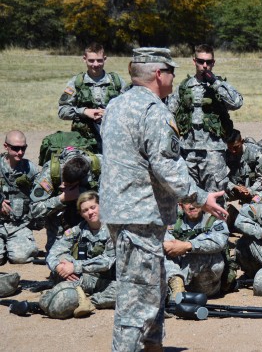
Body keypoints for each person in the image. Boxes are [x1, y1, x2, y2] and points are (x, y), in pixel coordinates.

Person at [100, 47, 227, 352]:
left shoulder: (116, 105)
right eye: (170, 71)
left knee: (153, 290)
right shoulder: (154, 111)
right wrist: (201, 197)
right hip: (142, 217)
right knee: (137, 301)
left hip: (122, 213)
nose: (173, 77)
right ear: (159, 74)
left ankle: (152, 347)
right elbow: (166, 166)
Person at [167, 44, 243, 200]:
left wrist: (215, 83)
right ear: (194, 61)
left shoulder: (219, 86)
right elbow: (169, 114)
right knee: (189, 199)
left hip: (213, 152)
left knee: (215, 196)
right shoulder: (184, 87)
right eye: (201, 61)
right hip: (188, 151)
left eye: (208, 62)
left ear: (213, 62)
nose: (205, 65)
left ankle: (215, 225)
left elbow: (236, 103)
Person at [46, 191, 116, 317]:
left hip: (108, 280)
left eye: (93, 207)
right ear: (81, 214)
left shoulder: (113, 230)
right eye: (85, 210)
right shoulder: (78, 230)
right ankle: (75, 296)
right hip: (82, 278)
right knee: (61, 264)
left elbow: (107, 261)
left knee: (125, 292)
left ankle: (86, 301)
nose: (90, 212)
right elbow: (54, 251)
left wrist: (74, 267)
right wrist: (59, 266)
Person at [57, 43, 127, 152]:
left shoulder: (116, 82)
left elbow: (130, 108)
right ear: (84, 59)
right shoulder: (76, 83)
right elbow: (62, 111)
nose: (96, 64)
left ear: (105, 59)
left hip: (114, 141)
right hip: (84, 143)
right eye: (91, 60)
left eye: (99, 60)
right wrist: (84, 112)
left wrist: (110, 112)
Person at [30, 148, 101, 253]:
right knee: (57, 260)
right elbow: (34, 210)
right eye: (63, 183)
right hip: (59, 225)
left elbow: (113, 200)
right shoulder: (52, 172)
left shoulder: (98, 166)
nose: (63, 186)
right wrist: (62, 198)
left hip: (89, 223)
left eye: (68, 185)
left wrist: (83, 194)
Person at [164, 201, 229, 299]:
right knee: (163, 251)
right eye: (187, 203)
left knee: (201, 251)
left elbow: (219, 242)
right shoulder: (174, 222)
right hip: (179, 276)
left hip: (205, 283)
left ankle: (176, 290)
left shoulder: (215, 220)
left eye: (195, 202)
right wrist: (170, 246)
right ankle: (176, 284)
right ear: (181, 206)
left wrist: (188, 246)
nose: (191, 206)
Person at [0, 130, 39, 264]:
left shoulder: (30, 169)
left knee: (21, 257)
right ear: (6, 147)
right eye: (16, 148)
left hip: (19, 224)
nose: (20, 152)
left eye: (23, 148)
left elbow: (41, 195)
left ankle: (11, 247)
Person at [224, 129, 262, 205]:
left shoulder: (255, 154)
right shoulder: (225, 154)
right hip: (235, 188)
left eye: (236, 147)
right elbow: (221, 178)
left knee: (258, 203)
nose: (233, 151)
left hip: (254, 189)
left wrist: (250, 190)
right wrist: (234, 187)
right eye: (230, 148)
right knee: (217, 196)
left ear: (242, 142)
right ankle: (230, 214)